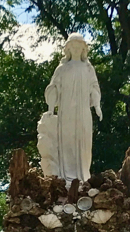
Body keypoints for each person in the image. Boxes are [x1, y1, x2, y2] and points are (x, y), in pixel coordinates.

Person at [41, 33, 102, 181]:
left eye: (79, 46)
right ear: (68, 49)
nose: (76, 49)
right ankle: (66, 177)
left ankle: (83, 177)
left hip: (83, 112)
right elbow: (53, 88)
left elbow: (94, 88)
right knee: (67, 141)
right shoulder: (62, 69)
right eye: (73, 46)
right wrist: (50, 109)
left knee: (84, 144)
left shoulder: (88, 69)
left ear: (83, 49)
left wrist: (97, 106)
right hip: (66, 111)